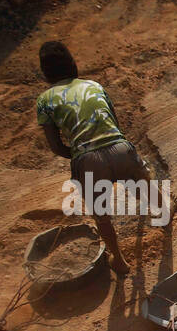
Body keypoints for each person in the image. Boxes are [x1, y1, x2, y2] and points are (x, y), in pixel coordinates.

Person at [35, 41, 153, 276]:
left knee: (101, 215)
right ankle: (160, 211)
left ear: (45, 73)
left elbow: (55, 146)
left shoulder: (44, 101)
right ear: (73, 64)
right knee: (144, 181)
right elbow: (113, 124)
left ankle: (118, 260)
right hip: (119, 147)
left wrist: (81, 153)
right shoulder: (94, 86)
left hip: (88, 160)